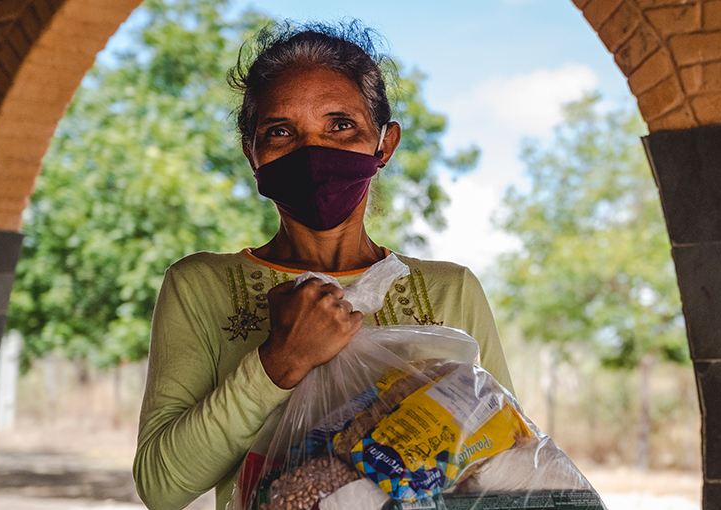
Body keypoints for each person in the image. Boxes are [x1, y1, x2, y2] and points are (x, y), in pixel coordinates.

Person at [133, 21, 513, 510]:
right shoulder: (200, 285)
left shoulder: (449, 291)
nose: (312, 152)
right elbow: (163, 489)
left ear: (385, 144)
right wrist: (279, 363)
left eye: (340, 125)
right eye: (280, 131)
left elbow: (503, 465)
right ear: (253, 153)